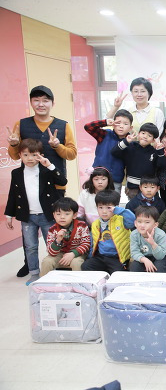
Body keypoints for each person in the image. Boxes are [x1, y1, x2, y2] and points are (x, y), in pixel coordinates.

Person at [5, 139, 67, 284]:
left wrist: (50, 165)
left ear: (41, 155)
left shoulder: (46, 170)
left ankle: (55, 272)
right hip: (27, 217)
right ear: (20, 155)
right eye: (25, 155)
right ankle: (34, 274)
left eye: (34, 155)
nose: (30, 158)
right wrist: (9, 215)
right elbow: (13, 194)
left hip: (47, 215)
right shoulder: (16, 173)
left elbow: (63, 181)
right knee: (30, 247)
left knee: (52, 244)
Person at [6, 85, 77, 195]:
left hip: (56, 184)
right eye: (36, 100)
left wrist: (57, 146)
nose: (40, 104)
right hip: (29, 183)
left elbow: (72, 155)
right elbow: (15, 156)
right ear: (31, 103)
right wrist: (14, 145)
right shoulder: (20, 124)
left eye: (45, 101)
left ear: (52, 103)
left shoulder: (64, 125)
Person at [81, 190, 135, 274]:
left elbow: (132, 221)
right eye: (100, 207)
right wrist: (90, 257)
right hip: (101, 256)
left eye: (108, 208)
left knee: (118, 274)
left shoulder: (121, 220)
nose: (104, 211)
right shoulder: (95, 224)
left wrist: (119, 210)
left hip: (117, 257)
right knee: (86, 266)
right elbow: (93, 243)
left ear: (115, 207)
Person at [111, 122, 166, 200]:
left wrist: (160, 151)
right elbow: (114, 152)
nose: (145, 137)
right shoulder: (131, 146)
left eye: (149, 136)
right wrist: (126, 141)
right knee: (133, 206)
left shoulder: (154, 151)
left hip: (148, 187)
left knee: (149, 207)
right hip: (132, 187)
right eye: (143, 133)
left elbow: (162, 165)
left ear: (153, 140)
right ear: (139, 133)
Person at [83, 109, 133, 193]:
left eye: (125, 124)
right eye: (118, 123)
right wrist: (105, 122)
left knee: (113, 201)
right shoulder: (105, 134)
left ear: (130, 128)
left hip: (115, 180)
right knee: (94, 200)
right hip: (98, 178)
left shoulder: (130, 143)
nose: (121, 126)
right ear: (113, 124)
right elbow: (88, 127)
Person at [40, 197, 90, 276]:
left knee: (76, 263)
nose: (62, 217)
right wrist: (58, 241)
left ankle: (78, 283)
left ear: (74, 215)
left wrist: (73, 254)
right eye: (58, 214)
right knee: (47, 262)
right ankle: (44, 283)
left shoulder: (82, 225)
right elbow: (51, 252)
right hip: (60, 254)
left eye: (67, 214)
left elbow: (86, 244)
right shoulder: (52, 230)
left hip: (77, 254)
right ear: (54, 215)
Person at [129, 206, 166, 273]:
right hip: (144, 256)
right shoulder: (134, 234)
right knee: (134, 266)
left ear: (155, 225)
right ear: (135, 223)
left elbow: (160, 256)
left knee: (159, 266)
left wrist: (153, 243)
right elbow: (134, 252)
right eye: (139, 222)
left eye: (147, 222)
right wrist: (145, 260)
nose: (142, 225)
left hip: (161, 256)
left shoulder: (160, 234)